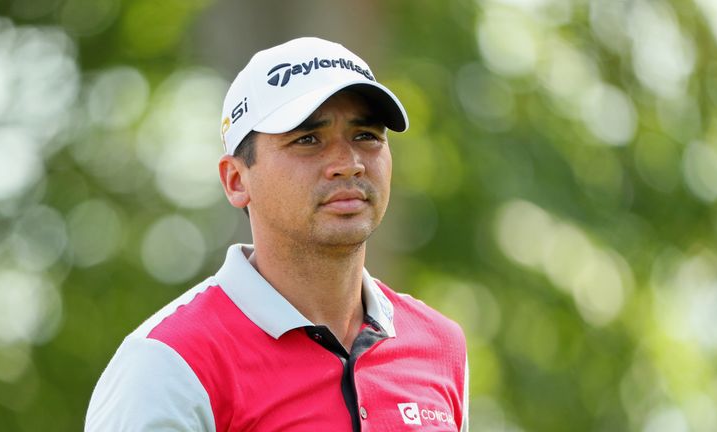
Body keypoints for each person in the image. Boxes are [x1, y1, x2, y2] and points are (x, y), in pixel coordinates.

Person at [86, 37, 469, 431]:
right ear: (236, 180)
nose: (348, 163)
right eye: (307, 140)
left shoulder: (440, 345)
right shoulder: (168, 362)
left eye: (366, 135)